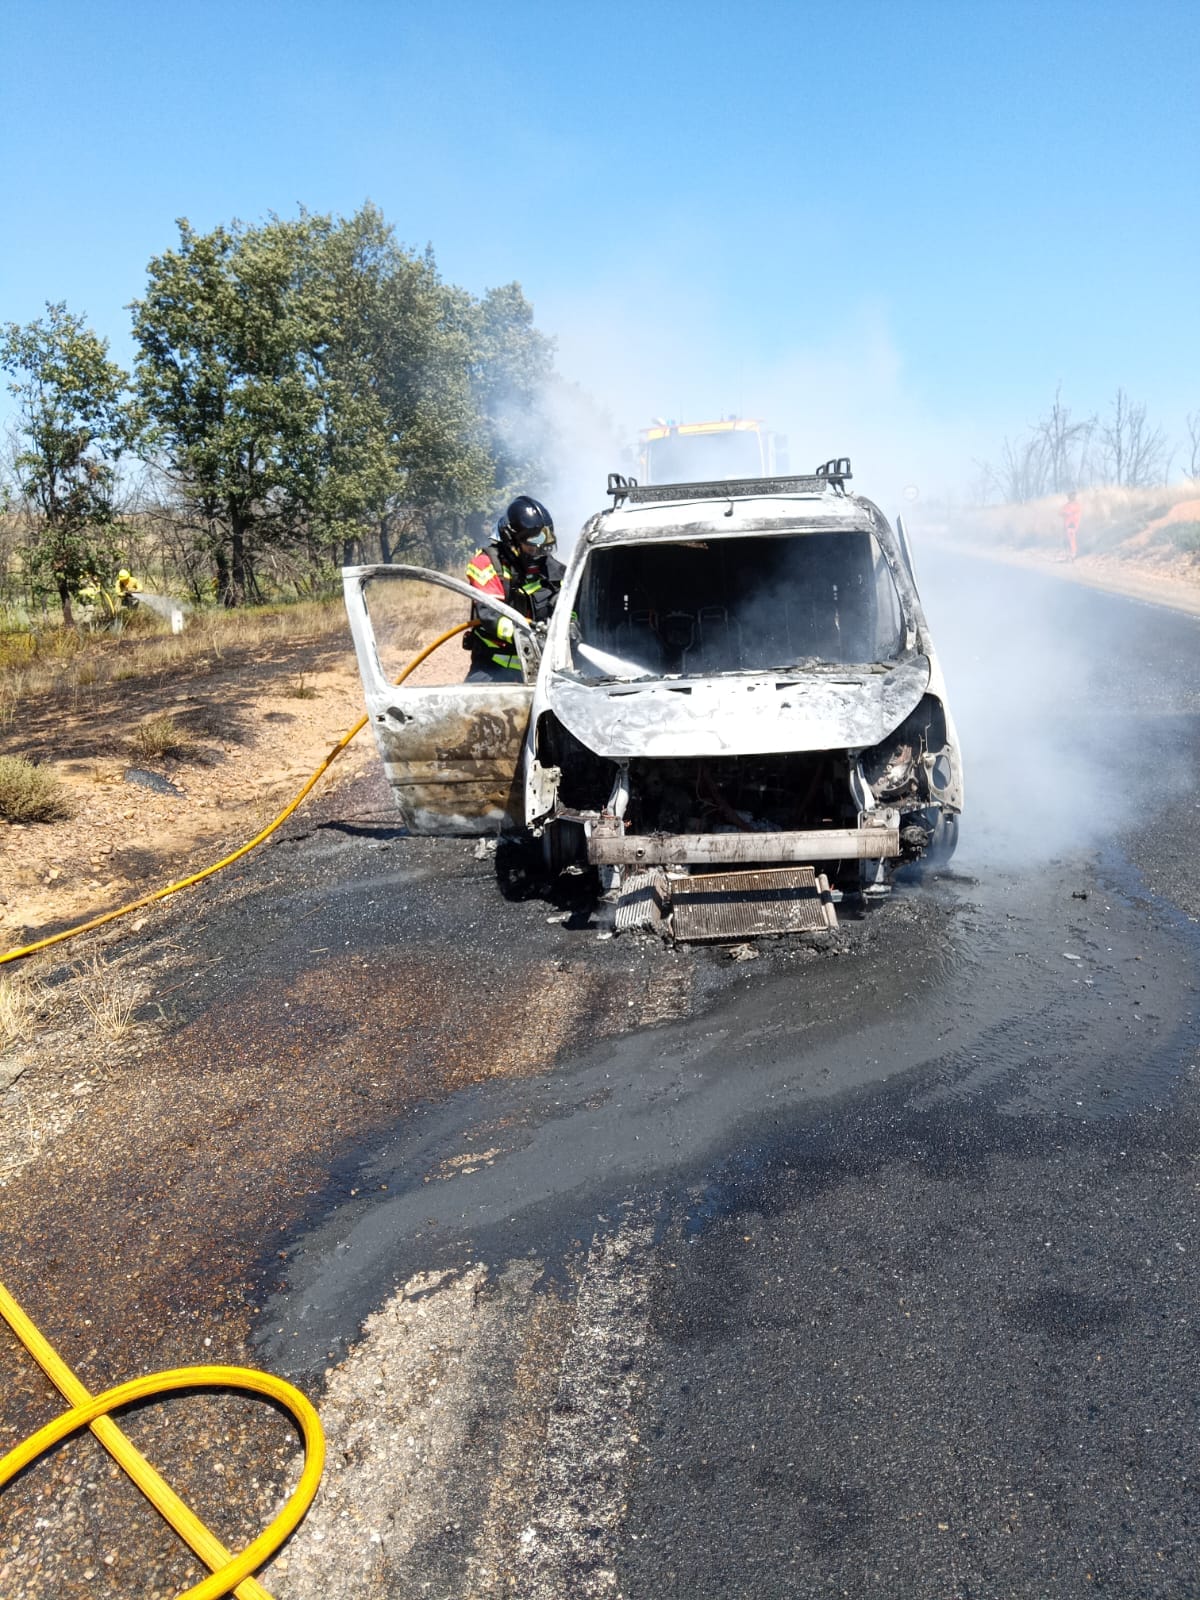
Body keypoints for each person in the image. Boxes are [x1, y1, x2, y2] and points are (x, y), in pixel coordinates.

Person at [464, 496, 563, 681]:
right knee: (473, 709)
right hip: (493, 667)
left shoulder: (548, 565)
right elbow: (490, 615)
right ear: (512, 541)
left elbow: (566, 601)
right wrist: (530, 636)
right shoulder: (486, 564)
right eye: (531, 548)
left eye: (542, 548)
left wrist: (571, 623)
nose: (537, 554)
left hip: (543, 667)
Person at [1060, 493, 1081, 562]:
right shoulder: (1066, 505)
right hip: (1067, 524)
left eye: (1073, 496)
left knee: (1071, 537)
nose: (1071, 498)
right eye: (1070, 496)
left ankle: (1073, 554)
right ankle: (1068, 554)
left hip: (1073, 523)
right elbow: (1061, 512)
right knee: (1068, 538)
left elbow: (1076, 513)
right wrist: (1063, 513)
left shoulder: (1077, 505)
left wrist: (1068, 513)